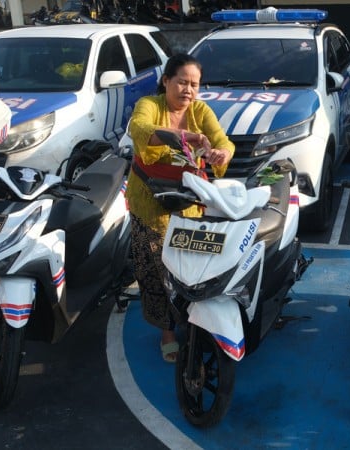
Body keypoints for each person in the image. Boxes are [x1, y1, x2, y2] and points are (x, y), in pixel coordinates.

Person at [125, 54, 234, 363]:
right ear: (166, 81)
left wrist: (221, 155)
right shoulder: (150, 105)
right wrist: (187, 137)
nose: (188, 90)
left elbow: (223, 142)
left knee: (192, 269)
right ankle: (167, 331)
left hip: (188, 204)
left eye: (194, 84)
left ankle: (196, 319)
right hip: (150, 203)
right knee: (155, 272)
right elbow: (142, 129)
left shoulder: (201, 111)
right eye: (182, 82)